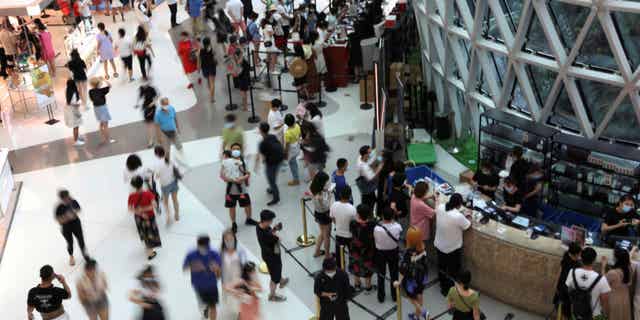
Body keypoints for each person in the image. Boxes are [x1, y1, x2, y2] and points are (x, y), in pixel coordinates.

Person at [434, 193, 471, 296]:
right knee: (453, 270)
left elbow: (437, 206)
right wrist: (468, 215)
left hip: (439, 244)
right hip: (452, 248)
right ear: (459, 205)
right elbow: (467, 225)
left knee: (441, 267)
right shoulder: (458, 216)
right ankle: (449, 290)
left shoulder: (441, 207)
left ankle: (442, 286)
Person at [183, 235, 222, 320]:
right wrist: (194, 266)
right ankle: (205, 310)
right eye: (201, 246)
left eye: (205, 246)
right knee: (202, 305)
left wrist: (216, 268)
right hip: (198, 285)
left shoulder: (214, 253)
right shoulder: (191, 254)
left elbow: (219, 271)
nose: (203, 249)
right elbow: (184, 268)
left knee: (213, 306)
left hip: (211, 285)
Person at [565, 247, 611, 319]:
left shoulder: (572, 272)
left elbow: (568, 289)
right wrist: (606, 315)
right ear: (594, 260)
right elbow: (604, 301)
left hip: (576, 313)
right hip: (594, 315)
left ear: (581, 259)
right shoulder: (601, 279)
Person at [221, 144, 256, 233]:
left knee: (247, 204)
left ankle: (248, 219)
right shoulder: (226, 162)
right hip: (231, 190)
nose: (236, 150)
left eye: (238, 149)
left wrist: (242, 178)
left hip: (242, 190)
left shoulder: (243, 162)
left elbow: (248, 173)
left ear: (240, 151)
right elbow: (222, 175)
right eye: (234, 149)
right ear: (231, 150)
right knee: (232, 207)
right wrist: (232, 180)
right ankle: (234, 223)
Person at [256, 209, 289, 301]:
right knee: (274, 277)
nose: (271, 223)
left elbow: (270, 232)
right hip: (272, 256)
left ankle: (281, 280)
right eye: (270, 221)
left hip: (267, 254)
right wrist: (276, 234)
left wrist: (274, 229)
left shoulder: (259, 226)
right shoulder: (267, 236)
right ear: (266, 221)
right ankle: (272, 295)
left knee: (277, 269)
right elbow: (277, 239)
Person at [398, 227, 430, 320]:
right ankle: (416, 316)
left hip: (411, 281)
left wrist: (399, 282)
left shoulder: (408, 253)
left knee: (409, 296)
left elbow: (403, 270)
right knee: (419, 294)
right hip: (422, 277)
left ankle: (423, 312)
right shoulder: (423, 247)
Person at [128, 175, 162, 260]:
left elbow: (130, 209)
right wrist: (144, 209)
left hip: (139, 218)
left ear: (133, 185)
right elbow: (154, 205)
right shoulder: (148, 194)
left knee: (144, 232)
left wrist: (140, 212)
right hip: (149, 217)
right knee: (150, 233)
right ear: (142, 183)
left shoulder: (131, 196)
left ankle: (147, 246)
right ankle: (150, 253)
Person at [55, 189, 90, 266]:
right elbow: (59, 220)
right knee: (70, 243)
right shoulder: (59, 207)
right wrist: (67, 217)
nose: (68, 199)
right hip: (66, 227)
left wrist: (74, 213)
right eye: (66, 198)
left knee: (81, 239)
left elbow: (79, 209)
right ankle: (71, 256)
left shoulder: (73, 201)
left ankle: (85, 255)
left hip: (76, 224)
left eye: (68, 196)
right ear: (62, 199)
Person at [374, 206, 402, 303]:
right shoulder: (397, 227)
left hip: (380, 253)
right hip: (393, 252)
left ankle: (381, 296)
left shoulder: (377, 228)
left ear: (382, 216)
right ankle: (395, 296)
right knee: (394, 274)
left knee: (381, 274)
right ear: (393, 216)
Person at [220, 229, 247, 318]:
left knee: (239, 301)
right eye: (226, 240)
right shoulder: (221, 251)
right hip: (227, 280)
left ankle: (240, 315)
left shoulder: (240, 250)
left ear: (234, 239)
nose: (229, 242)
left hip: (238, 280)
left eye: (231, 239)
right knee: (229, 300)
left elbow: (244, 266)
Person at [256, 122, 285, 206]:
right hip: (280, 159)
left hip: (272, 162)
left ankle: (276, 198)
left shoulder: (262, 143)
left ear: (261, 131)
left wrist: (258, 164)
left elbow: (263, 156)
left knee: (271, 179)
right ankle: (272, 189)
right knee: (273, 175)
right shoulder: (273, 136)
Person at [349, 204, 376, 292]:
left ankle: (357, 284)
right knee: (367, 266)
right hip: (368, 250)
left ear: (358, 214)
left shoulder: (353, 223)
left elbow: (351, 232)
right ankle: (368, 286)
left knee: (356, 265)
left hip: (355, 249)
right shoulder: (372, 224)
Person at [601, 248, 632, 320]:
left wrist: (603, 266)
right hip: (625, 300)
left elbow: (603, 281)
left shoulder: (613, 273)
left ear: (617, 259)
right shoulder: (629, 270)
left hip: (614, 300)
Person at [553, 242, 582, 319]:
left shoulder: (565, 257)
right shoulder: (576, 266)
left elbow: (559, 273)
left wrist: (556, 286)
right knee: (565, 313)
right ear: (575, 254)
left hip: (560, 289)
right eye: (579, 254)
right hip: (567, 293)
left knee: (559, 310)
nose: (580, 255)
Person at [330, 186, 357, 270]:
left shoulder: (334, 205)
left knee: (339, 253)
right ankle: (352, 268)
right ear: (350, 196)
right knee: (352, 253)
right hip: (349, 235)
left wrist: (338, 224)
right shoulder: (352, 209)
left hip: (339, 233)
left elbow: (332, 218)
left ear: (340, 194)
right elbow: (354, 223)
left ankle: (340, 267)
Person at [153, 146, 181, 225]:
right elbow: (177, 168)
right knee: (175, 199)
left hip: (165, 185)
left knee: (166, 202)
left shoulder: (158, 164)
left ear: (156, 154)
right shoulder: (170, 160)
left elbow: (157, 176)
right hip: (173, 182)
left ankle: (168, 217)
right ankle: (177, 215)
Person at [310, 171, 333, 258]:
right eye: (326, 181)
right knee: (327, 235)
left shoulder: (312, 187)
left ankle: (317, 251)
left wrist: (325, 191)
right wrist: (329, 195)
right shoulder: (319, 196)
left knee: (322, 233)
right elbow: (325, 206)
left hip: (317, 213)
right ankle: (327, 255)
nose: (327, 183)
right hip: (325, 215)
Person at [89, 77, 116, 144]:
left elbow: (91, 99)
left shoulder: (90, 91)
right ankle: (108, 139)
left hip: (96, 109)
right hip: (103, 108)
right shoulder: (102, 90)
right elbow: (110, 85)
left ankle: (104, 138)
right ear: (99, 84)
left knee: (101, 124)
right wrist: (104, 79)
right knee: (105, 125)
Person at [357, 145, 383, 211]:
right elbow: (370, 178)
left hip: (366, 184)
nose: (371, 154)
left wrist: (380, 157)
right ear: (365, 155)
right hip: (366, 185)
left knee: (372, 198)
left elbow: (371, 163)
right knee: (369, 202)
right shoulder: (363, 166)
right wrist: (379, 168)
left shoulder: (360, 157)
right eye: (369, 153)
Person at [64, 79, 85, 146]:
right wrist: (78, 104)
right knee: (76, 126)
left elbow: (69, 102)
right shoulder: (73, 92)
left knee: (76, 125)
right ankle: (76, 141)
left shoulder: (67, 90)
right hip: (73, 110)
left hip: (69, 110)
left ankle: (77, 138)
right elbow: (72, 103)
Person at [138, 82, 159, 147]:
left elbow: (156, 97)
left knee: (154, 123)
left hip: (152, 107)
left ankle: (155, 139)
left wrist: (152, 103)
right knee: (149, 125)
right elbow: (140, 96)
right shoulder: (141, 88)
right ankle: (151, 140)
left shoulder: (151, 89)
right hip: (146, 108)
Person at [284, 113, 301, 186]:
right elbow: (300, 135)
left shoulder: (287, 133)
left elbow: (287, 145)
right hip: (297, 147)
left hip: (291, 151)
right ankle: (296, 174)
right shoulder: (297, 126)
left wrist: (286, 154)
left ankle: (296, 180)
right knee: (294, 162)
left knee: (292, 164)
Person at [200, 37, 217, 102]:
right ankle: (212, 98)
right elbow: (214, 58)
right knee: (212, 83)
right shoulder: (211, 50)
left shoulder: (201, 50)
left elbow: (200, 59)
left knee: (208, 81)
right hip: (211, 66)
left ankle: (210, 92)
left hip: (204, 67)